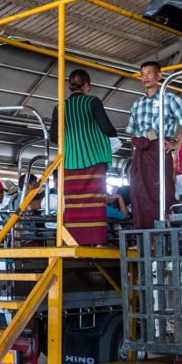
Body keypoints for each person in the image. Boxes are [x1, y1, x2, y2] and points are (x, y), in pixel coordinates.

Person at [125, 61, 182, 229]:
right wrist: (135, 155)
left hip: (159, 149)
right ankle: (145, 237)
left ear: (159, 76)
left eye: (149, 73)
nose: (145, 77)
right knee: (139, 192)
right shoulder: (137, 104)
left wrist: (178, 144)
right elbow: (132, 132)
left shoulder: (169, 98)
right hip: (141, 152)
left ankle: (163, 235)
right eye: (142, 74)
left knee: (162, 191)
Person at [48, 69, 118, 246]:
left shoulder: (60, 107)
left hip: (70, 161)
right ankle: (98, 242)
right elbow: (107, 128)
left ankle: (74, 241)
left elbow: (54, 137)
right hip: (94, 159)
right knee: (95, 201)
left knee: (73, 203)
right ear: (87, 85)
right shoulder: (92, 101)